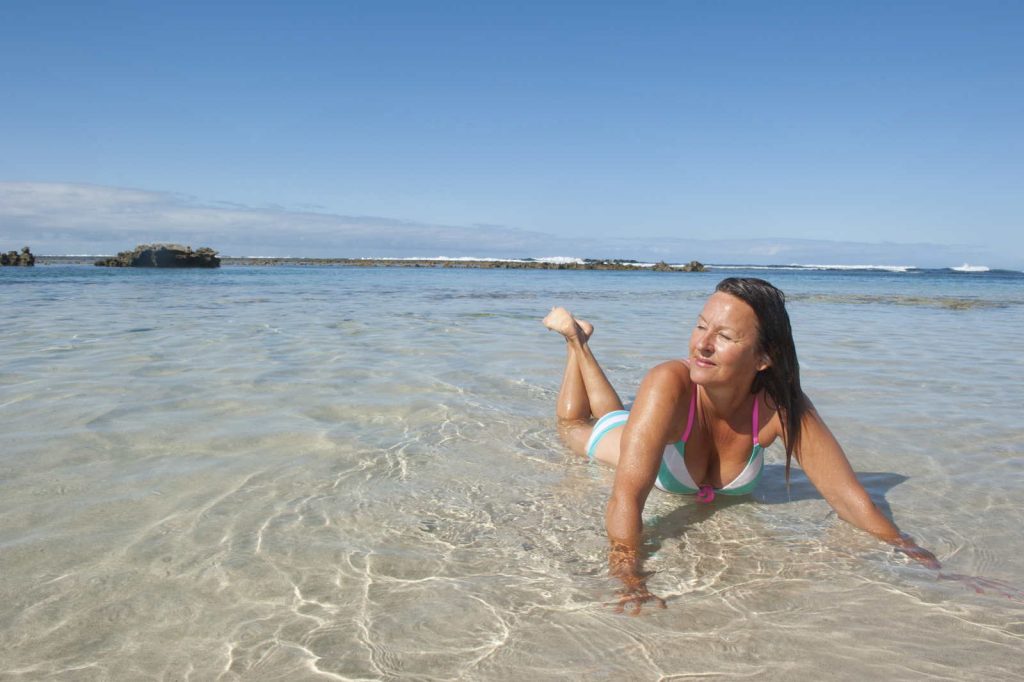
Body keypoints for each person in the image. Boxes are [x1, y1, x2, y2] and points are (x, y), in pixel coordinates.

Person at [543, 277, 939, 614]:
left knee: (612, 411)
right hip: (628, 435)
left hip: (653, 422)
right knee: (576, 424)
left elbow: (850, 498)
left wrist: (912, 552)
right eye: (701, 327)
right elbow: (626, 497)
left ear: (764, 357)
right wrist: (629, 577)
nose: (702, 344)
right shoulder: (668, 380)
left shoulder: (778, 406)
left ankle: (580, 339)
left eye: (725, 336)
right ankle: (574, 342)